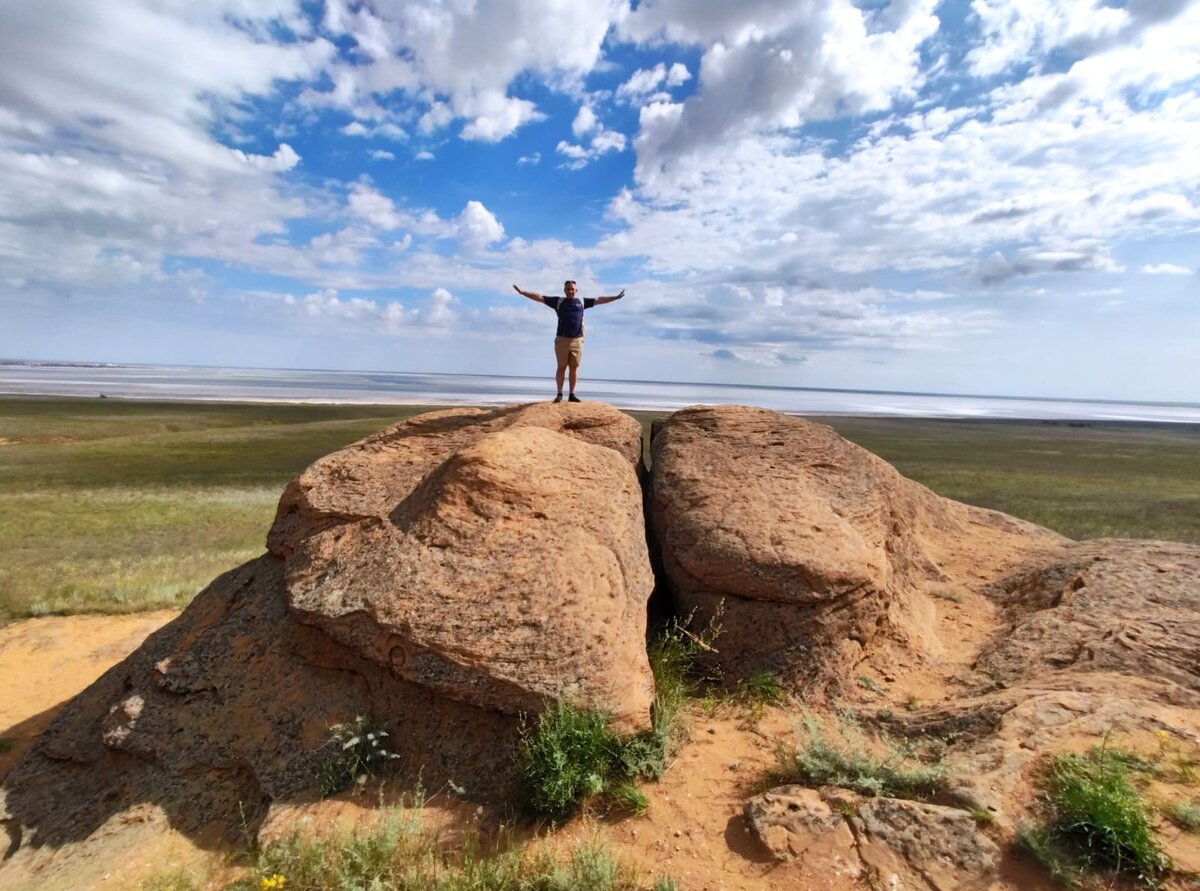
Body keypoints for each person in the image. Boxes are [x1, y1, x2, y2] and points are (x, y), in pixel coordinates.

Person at [512, 280, 626, 402]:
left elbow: (599, 300)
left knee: (574, 368)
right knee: (561, 367)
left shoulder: (581, 302)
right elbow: (540, 297)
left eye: (572, 289)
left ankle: (572, 394)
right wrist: (523, 292)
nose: (570, 291)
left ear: (576, 291)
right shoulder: (558, 302)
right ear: (564, 290)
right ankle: (559, 394)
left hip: (577, 340)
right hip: (562, 339)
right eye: (568, 289)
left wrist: (615, 298)